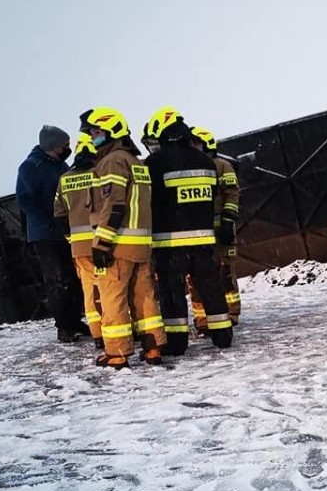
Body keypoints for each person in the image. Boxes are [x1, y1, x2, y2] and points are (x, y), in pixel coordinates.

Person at [80, 107, 167, 368]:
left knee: (112, 297)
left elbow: (114, 205)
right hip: (140, 244)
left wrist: (102, 242)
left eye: (96, 132)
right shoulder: (135, 162)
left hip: (118, 244)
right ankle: (153, 347)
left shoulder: (112, 161)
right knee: (144, 297)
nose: (93, 138)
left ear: (112, 131)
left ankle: (117, 353)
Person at [144, 111, 233, 354]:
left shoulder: (154, 164)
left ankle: (177, 342)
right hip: (204, 238)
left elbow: (148, 200)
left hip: (169, 241)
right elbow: (212, 196)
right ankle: (223, 335)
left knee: (172, 293)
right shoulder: (206, 161)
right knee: (210, 287)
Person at [15, 124, 90, 342]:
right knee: (57, 280)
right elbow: (25, 200)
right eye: (64, 146)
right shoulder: (31, 167)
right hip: (45, 235)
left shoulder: (60, 165)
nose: (68, 149)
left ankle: (74, 320)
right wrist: (48, 221)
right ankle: (64, 326)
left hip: (64, 231)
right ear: (52, 147)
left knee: (72, 278)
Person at [188, 126, 242, 332]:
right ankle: (202, 319)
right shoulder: (192, 168)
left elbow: (232, 193)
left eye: (197, 143)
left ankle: (231, 312)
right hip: (200, 232)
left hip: (223, 230)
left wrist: (229, 220)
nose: (194, 147)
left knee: (226, 272)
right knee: (198, 277)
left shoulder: (222, 166)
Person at [52, 134, 104, 347]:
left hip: (79, 247)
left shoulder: (65, 179)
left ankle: (98, 334)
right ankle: (118, 329)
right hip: (104, 242)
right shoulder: (101, 173)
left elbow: (59, 214)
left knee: (89, 290)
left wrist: (71, 238)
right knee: (110, 288)